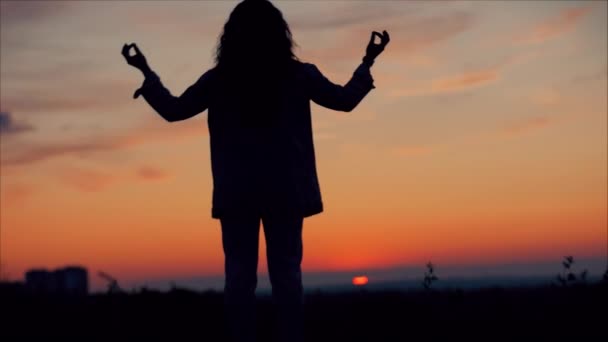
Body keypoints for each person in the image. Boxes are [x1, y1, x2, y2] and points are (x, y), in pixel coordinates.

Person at [121, 0, 389, 341]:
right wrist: (367, 61)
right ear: (280, 34)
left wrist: (146, 73)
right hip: (286, 191)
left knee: (239, 279)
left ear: (231, 36)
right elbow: (344, 100)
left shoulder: (219, 80)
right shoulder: (298, 75)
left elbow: (174, 110)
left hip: (237, 193)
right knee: (287, 276)